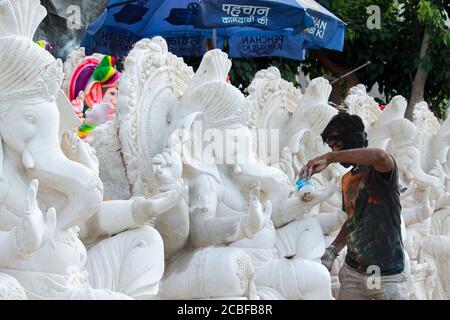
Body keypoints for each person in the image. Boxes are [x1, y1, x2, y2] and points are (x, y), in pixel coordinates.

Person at [299, 112, 409, 300]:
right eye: (331, 147)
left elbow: (380, 156)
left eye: (337, 145)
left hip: (388, 275)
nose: (334, 151)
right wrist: (333, 250)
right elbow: (353, 219)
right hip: (353, 274)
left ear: (353, 139)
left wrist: (330, 157)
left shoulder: (381, 169)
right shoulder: (347, 180)